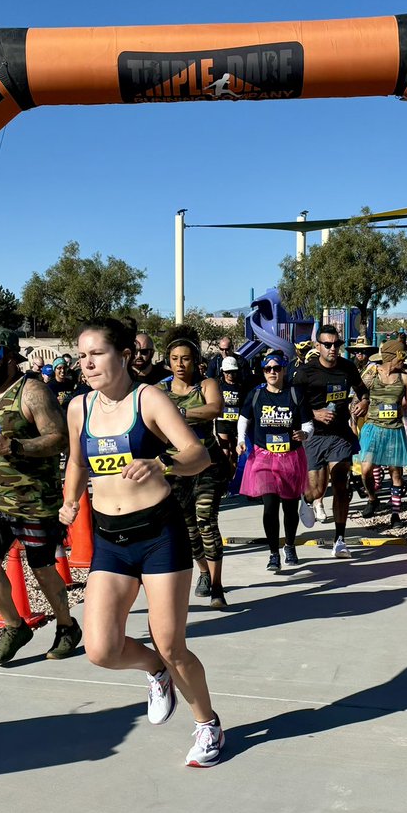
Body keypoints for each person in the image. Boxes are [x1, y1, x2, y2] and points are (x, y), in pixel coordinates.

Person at [60, 316, 224, 768]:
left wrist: (164, 465)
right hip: (110, 540)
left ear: (124, 355)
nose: (87, 364)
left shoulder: (148, 399)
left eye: (96, 354)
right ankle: (155, 671)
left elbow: (198, 453)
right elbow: (77, 461)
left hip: (158, 536)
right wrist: (69, 501)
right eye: (82, 356)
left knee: (171, 643)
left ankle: (207, 724)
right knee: (101, 650)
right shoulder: (79, 407)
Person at [0, 326, 81, 664]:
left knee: (42, 567)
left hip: (34, 498)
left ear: (11, 356)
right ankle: (16, 626)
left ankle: (67, 625)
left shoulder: (33, 392)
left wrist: (13, 445)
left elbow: (59, 438)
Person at [158, 326, 230, 607]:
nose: (180, 364)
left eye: (185, 358)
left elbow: (215, 408)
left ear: (195, 360)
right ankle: (203, 571)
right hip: (175, 467)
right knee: (188, 528)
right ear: (168, 360)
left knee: (206, 522)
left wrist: (180, 413)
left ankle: (216, 586)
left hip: (207, 464)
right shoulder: (159, 390)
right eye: (175, 358)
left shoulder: (206, 384)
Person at [294, 324, 369, 559]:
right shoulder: (306, 372)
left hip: (339, 436)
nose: (333, 348)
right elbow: (293, 403)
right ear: (318, 346)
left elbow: (363, 390)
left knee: (340, 484)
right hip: (314, 436)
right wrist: (314, 413)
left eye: (337, 344)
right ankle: (306, 501)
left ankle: (340, 539)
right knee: (316, 490)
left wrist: (364, 402)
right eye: (328, 344)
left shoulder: (347, 368)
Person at [238, 351, 313, 569]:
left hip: (290, 457)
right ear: (263, 371)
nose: (272, 372)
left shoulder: (295, 393)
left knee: (289, 508)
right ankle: (273, 553)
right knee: (269, 505)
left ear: (284, 369)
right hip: (264, 457)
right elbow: (244, 418)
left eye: (276, 368)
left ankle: (289, 545)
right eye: (267, 369)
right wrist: (241, 439)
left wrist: (305, 434)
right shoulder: (256, 395)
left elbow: (308, 423)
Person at [357, 338, 407, 525]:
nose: (405, 359)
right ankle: (372, 498)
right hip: (373, 426)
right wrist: (360, 404)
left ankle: (395, 513)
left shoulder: (405, 375)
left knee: (395, 473)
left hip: (394, 429)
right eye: (402, 356)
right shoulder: (372, 373)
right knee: (365, 470)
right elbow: (358, 393)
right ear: (391, 356)